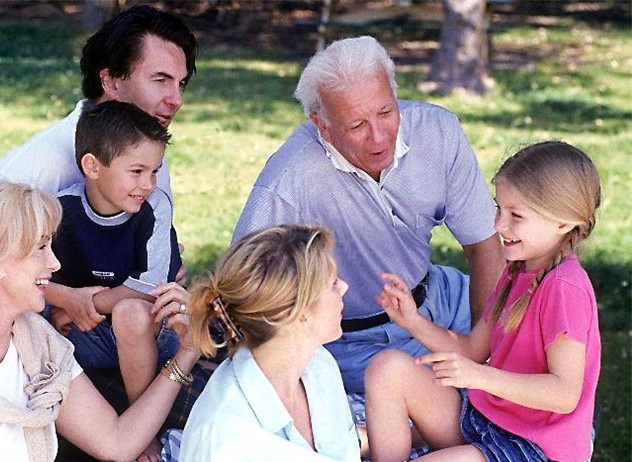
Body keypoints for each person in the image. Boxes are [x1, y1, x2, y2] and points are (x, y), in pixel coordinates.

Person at [231, 35, 505, 401]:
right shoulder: (288, 180)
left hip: (441, 299)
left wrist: (483, 343)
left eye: (386, 113)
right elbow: (244, 293)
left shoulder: (438, 131)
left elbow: (485, 245)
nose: (379, 137)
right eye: (357, 126)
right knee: (462, 417)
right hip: (351, 343)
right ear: (322, 126)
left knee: (529, 384)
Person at [364, 141, 601, 462]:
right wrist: (412, 320)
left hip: (535, 448)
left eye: (516, 215)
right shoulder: (517, 270)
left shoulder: (564, 288)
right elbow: (472, 350)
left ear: (563, 222)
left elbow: (564, 394)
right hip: (486, 420)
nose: (499, 226)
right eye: (498, 209)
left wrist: (479, 376)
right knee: (387, 367)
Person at [0, 181, 198, 462]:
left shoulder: (39, 344)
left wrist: (186, 354)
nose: (55, 264)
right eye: (40, 247)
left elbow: (115, 442)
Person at [46, 100, 182, 461]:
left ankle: (142, 429)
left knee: (130, 313)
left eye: (154, 171)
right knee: (34, 323)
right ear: (92, 166)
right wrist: (62, 300)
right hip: (88, 333)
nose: (149, 184)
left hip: (151, 331)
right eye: (136, 171)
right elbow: (33, 276)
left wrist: (78, 303)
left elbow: (149, 289)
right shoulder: (60, 211)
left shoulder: (155, 208)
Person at [179, 225, 361, 461]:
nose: (344, 287)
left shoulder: (320, 365)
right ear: (293, 313)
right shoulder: (225, 438)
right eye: (333, 283)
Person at [0, 4, 197, 200]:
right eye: (160, 80)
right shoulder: (31, 174)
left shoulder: (150, 159)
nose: (177, 100)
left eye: (181, 83)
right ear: (110, 82)